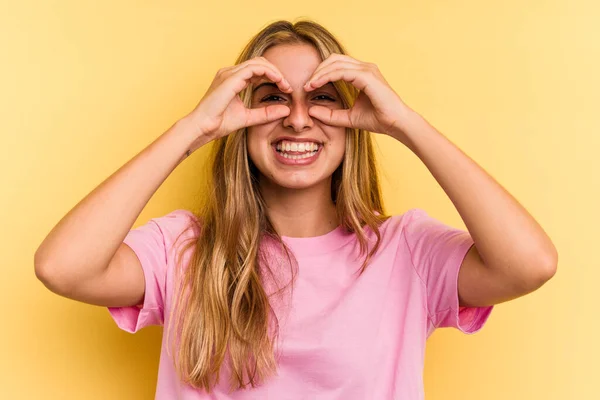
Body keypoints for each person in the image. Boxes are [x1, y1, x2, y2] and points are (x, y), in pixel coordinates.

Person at [34, 19, 558, 399]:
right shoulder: (185, 249)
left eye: (324, 98)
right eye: (274, 99)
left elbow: (530, 263)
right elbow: (63, 267)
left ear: (356, 116)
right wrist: (194, 128)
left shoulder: (407, 251)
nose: (299, 121)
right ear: (239, 116)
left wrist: (405, 124)